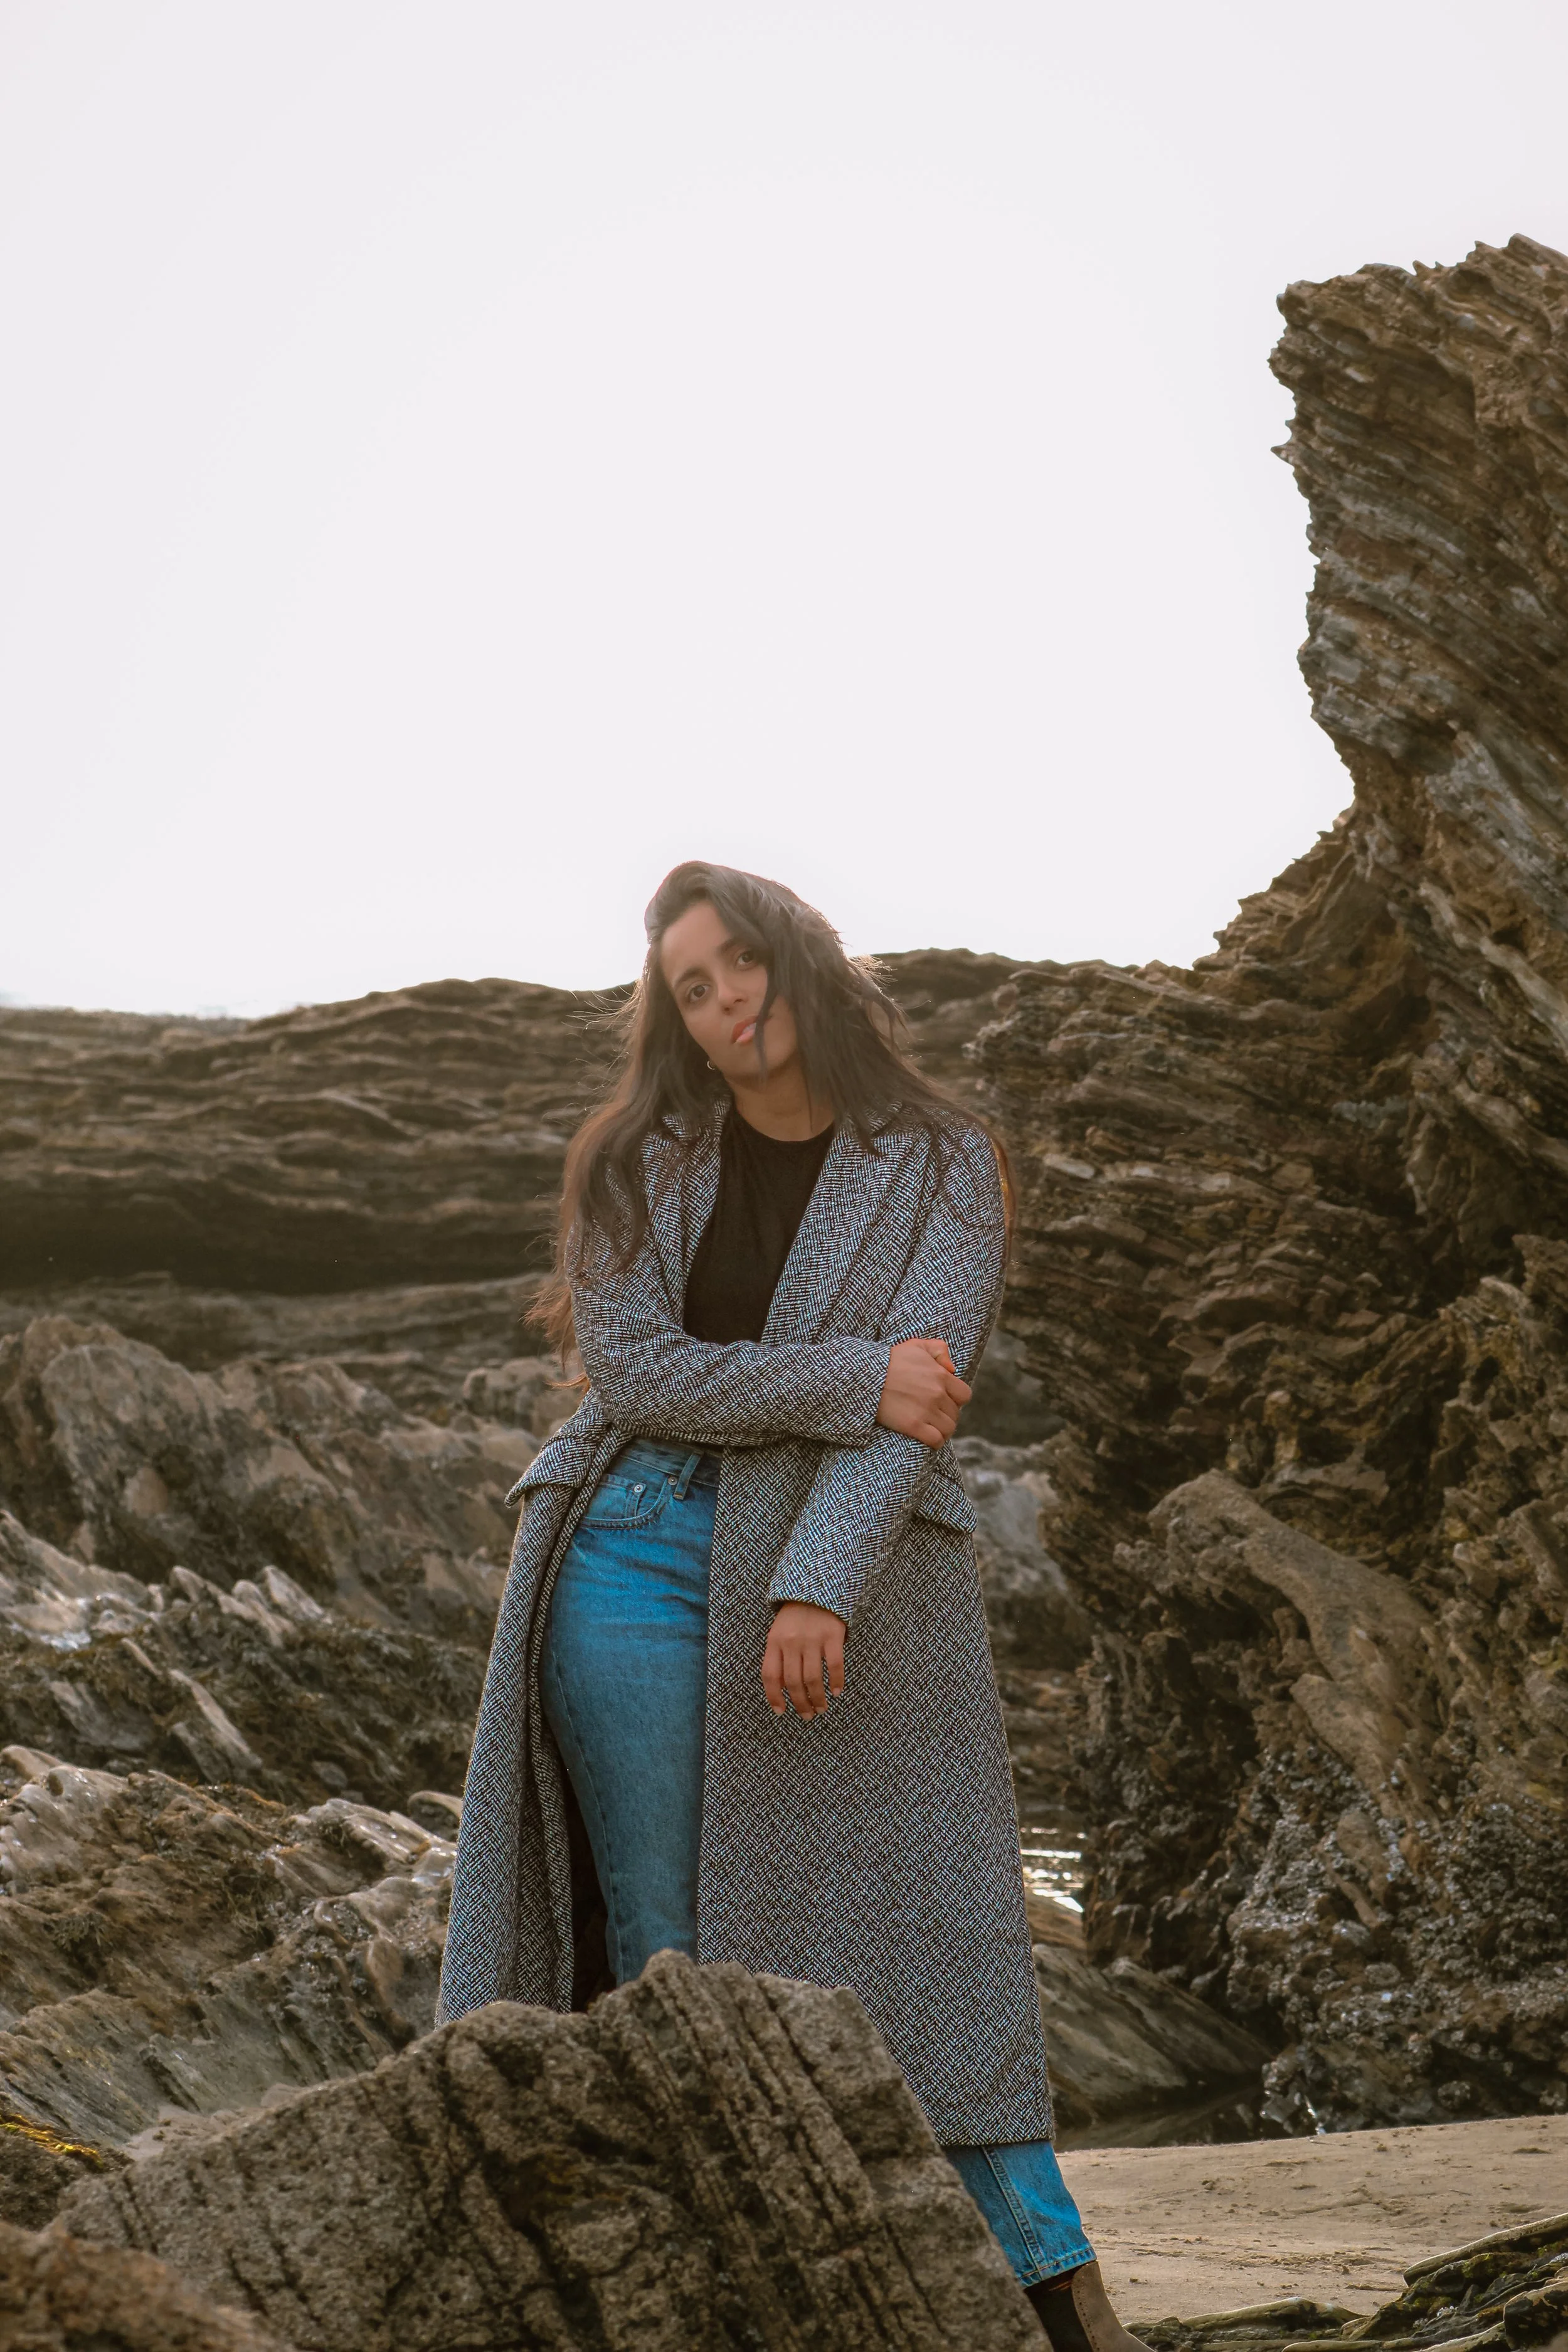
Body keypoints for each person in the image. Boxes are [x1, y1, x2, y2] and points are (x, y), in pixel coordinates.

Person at [440, 860, 1150, 2349]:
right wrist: (850, 1375)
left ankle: (1055, 2298)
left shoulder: (943, 1163)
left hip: (857, 1566)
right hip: (628, 1548)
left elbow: (922, 1406)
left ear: (795, 957)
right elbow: (637, 1374)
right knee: (670, 1956)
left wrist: (812, 1584)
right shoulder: (638, 1161)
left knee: (925, 1947)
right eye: (691, 990)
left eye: (738, 965)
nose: (725, 1004)